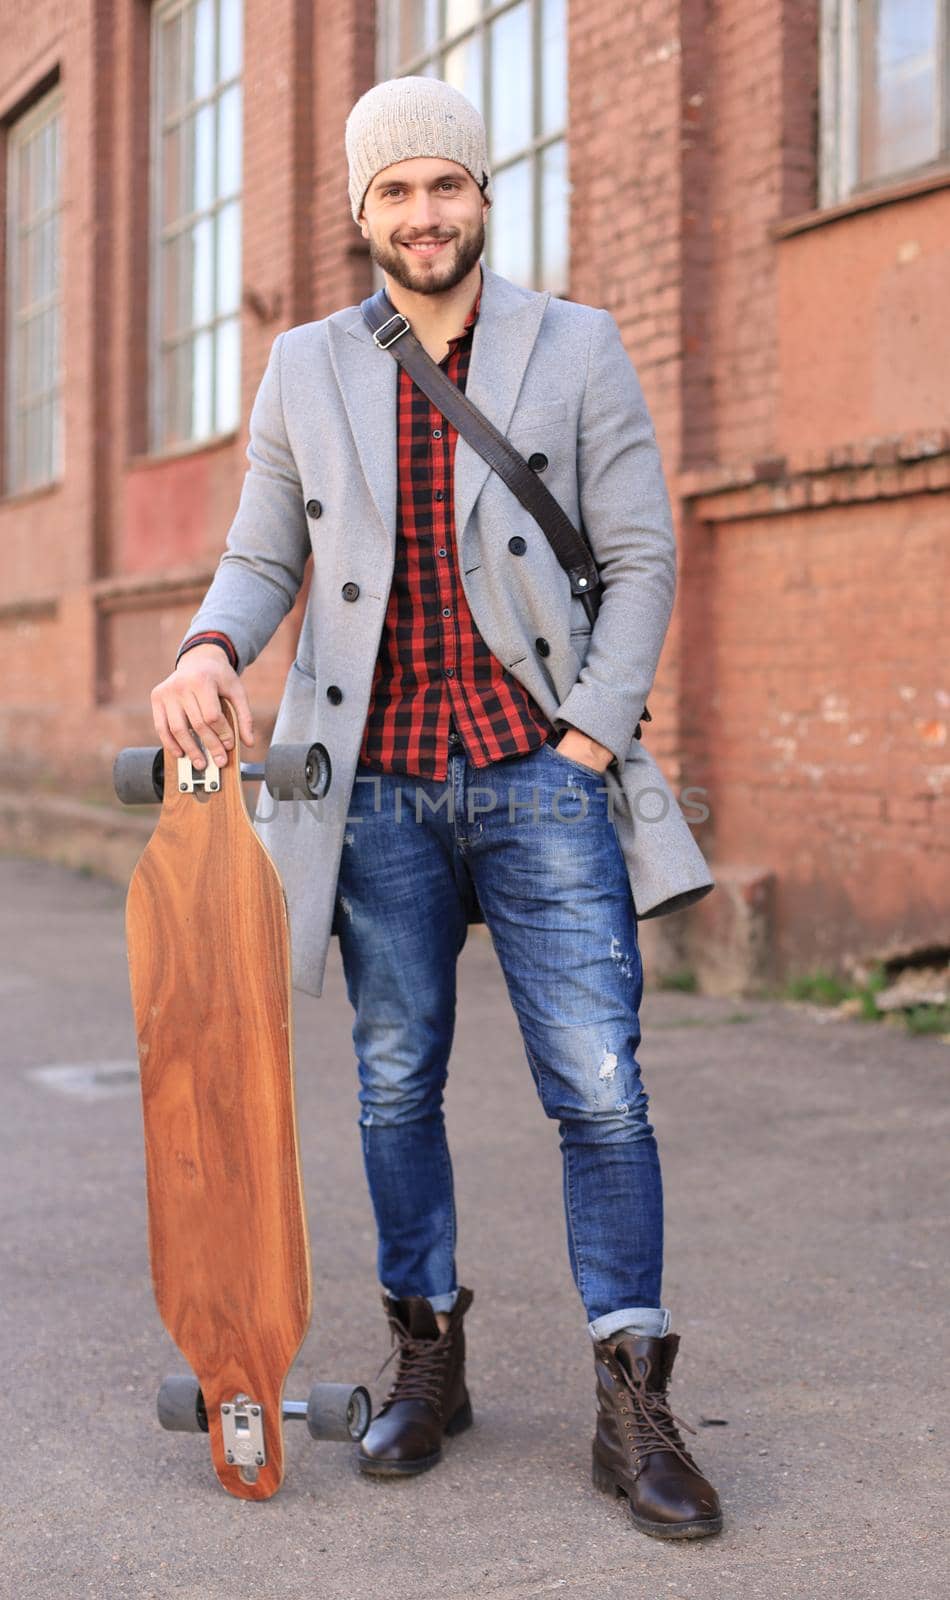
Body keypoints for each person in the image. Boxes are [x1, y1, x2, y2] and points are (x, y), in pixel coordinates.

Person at [150, 76, 721, 1539]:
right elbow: (262, 555)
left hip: (542, 775)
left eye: (443, 187)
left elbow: (644, 557)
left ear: (480, 197)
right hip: (379, 791)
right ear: (360, 215)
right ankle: (427, 1350)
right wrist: (210, 645)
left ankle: (629, 1390)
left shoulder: (574, 345)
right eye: (393, 192)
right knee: (395, 1079)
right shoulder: (302, 367)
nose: (422, 214)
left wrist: (587, 741)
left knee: (597, 1086)